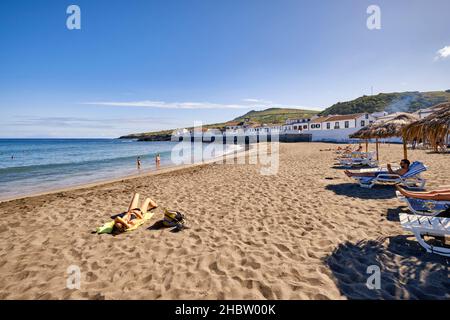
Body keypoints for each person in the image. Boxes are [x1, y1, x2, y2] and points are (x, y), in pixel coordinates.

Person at [344, 159, 410, 178]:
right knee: (368, 173)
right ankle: (351, 174)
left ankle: (351, 174)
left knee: (368, 174)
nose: (400, 164)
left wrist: (389, 168)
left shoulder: (403, 170)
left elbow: (393, 176)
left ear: (406, 164)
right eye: (400, 163)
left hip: (386, 176)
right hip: (386, 174)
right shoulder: (404, 169)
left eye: (402, 163)